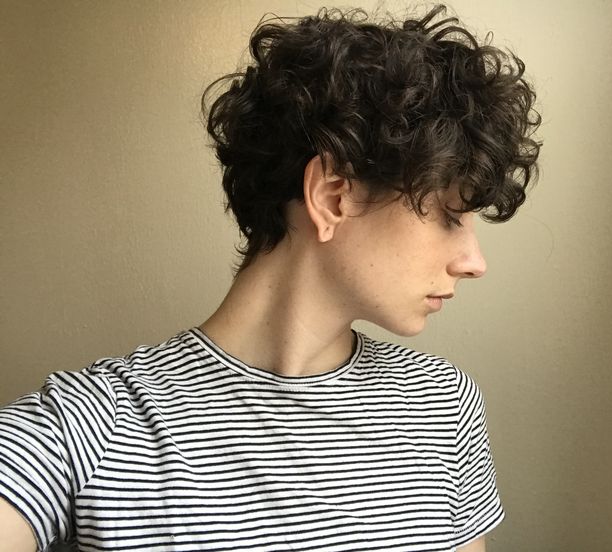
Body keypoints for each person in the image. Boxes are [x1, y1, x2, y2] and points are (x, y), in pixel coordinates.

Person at [0, 5, 541, 551]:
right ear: (332, 196)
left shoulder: (445, 407)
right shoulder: (92, 428)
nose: (474, 261)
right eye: (449, 215)